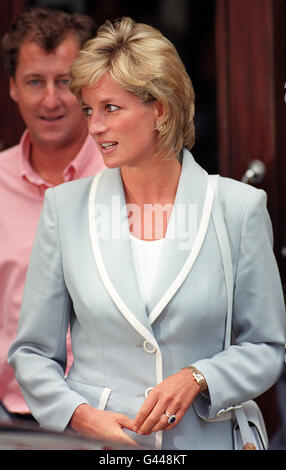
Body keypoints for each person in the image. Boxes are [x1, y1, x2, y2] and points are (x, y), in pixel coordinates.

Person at [8, 17, 286, 450]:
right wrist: (80, 417)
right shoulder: (64, 209)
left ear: (160, 108)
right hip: (104, 450)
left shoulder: (238, 209)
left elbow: (266, 346)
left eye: (111, 108)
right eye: (89, 110)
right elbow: (32, 354)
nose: (94, 127)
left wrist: (201, 376)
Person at [0, 8, 104, 421]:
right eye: (34, 82)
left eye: (64, 82)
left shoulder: (129, 176)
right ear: (12, 88)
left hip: (111, 416)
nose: (50, 100)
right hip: (14, 414)